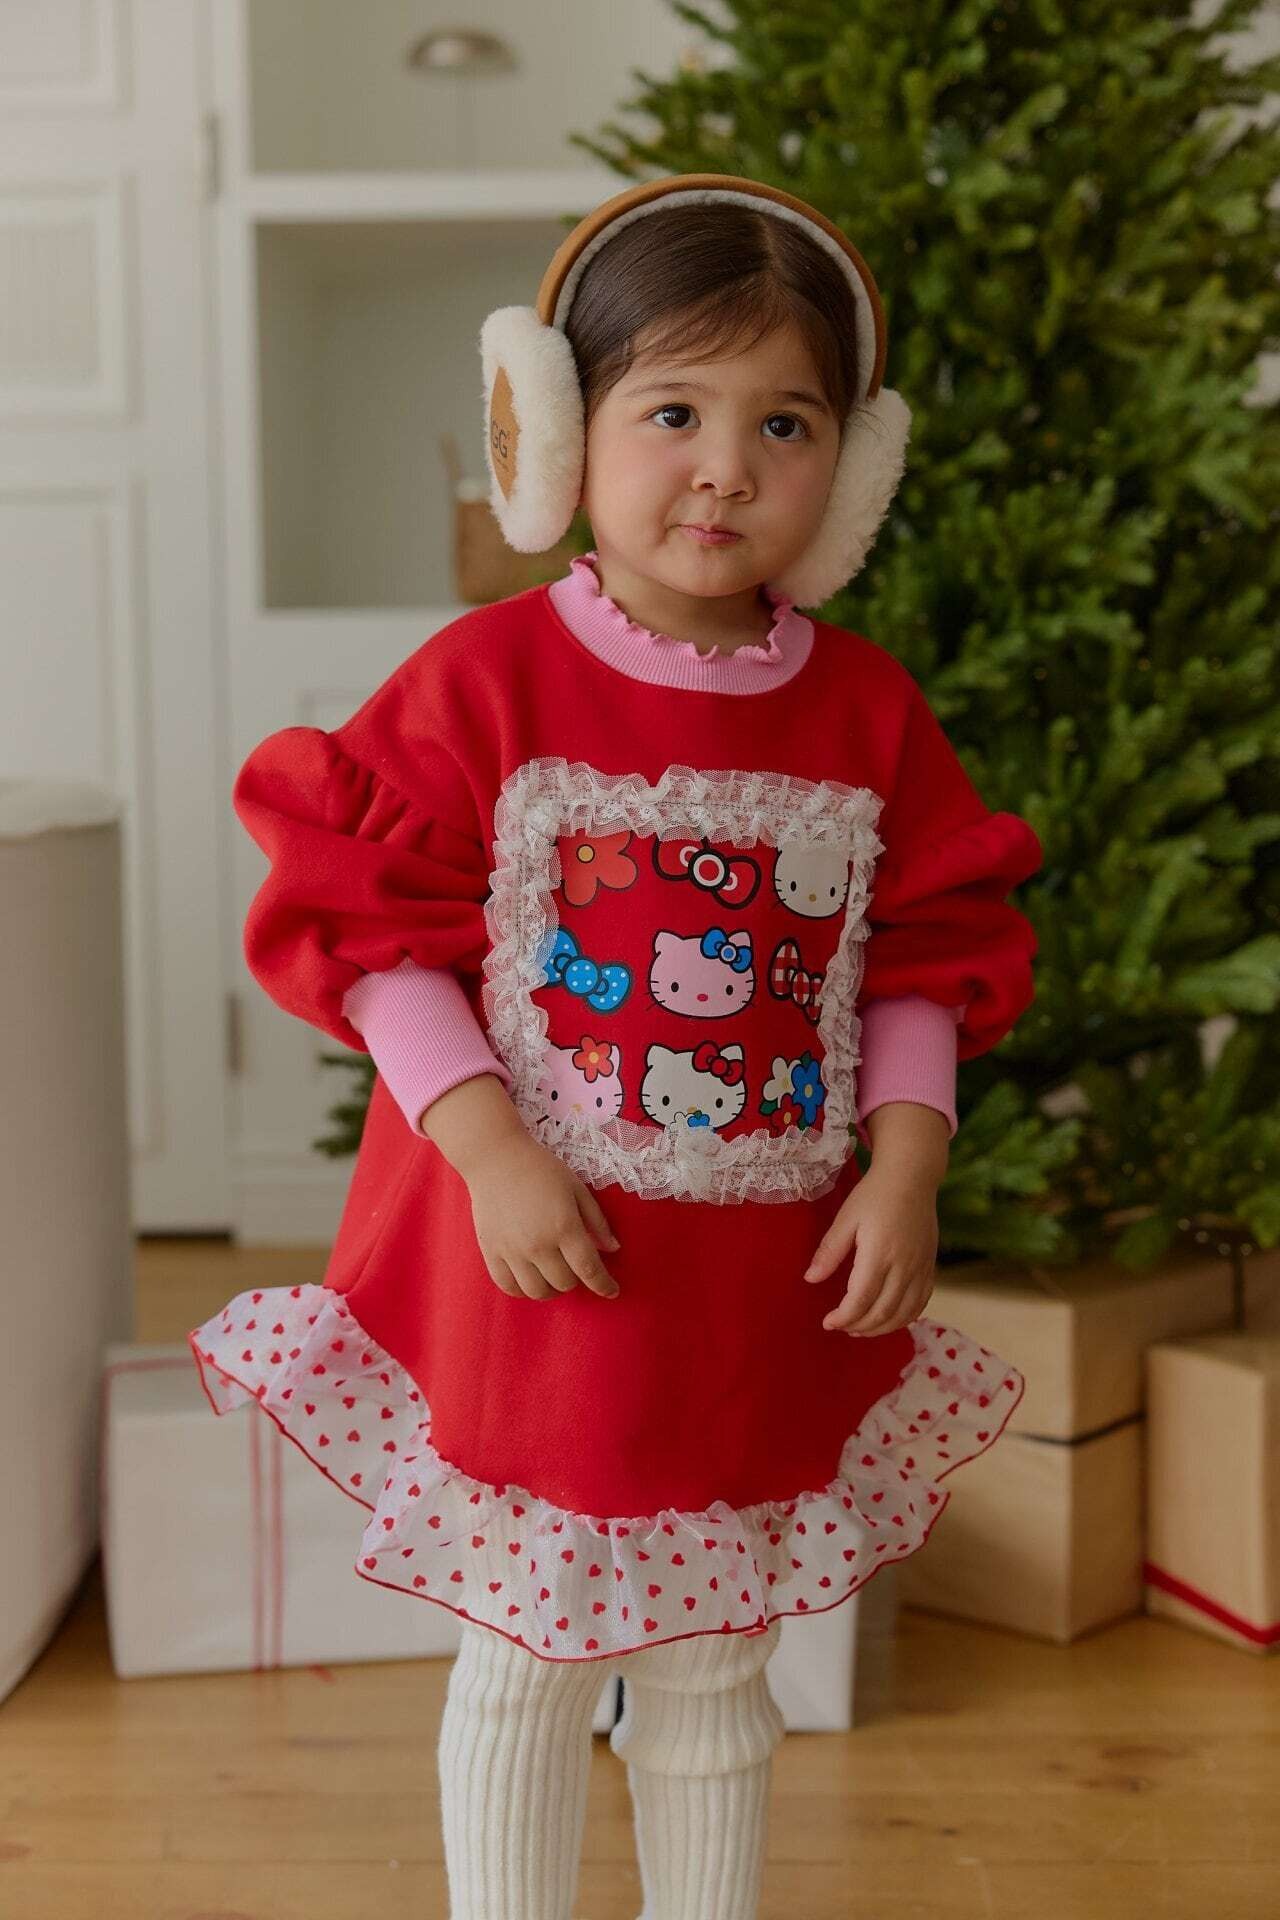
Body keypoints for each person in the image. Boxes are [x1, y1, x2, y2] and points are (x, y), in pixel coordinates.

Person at [190, 174, 1043, 1920]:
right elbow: (371, 934)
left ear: (851, 467)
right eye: (673, 413)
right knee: (529, 1658)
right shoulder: (484, 681)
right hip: (543, 1274)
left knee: (720, 1663)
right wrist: (490, 1151)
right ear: (562, 428)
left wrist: (906, 1167)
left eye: (784, 423)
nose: (725, 468)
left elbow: (923, 962)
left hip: (749, 1286)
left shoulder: (868, 711)